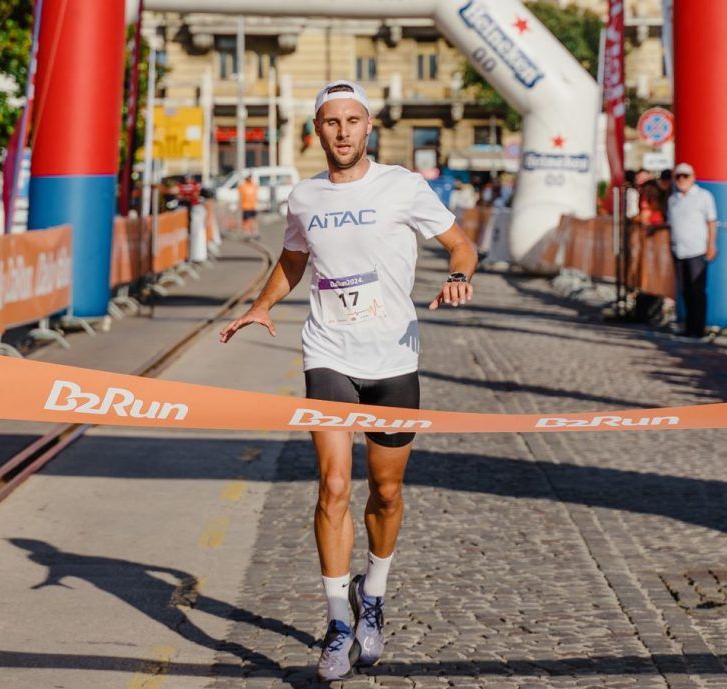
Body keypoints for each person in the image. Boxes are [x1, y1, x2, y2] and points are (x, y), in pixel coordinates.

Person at [220, 79, 477, 681]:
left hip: (392, 359)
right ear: (318, 131)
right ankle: (338, 621)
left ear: (368, 127)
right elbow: (293, 258)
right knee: (333, 486)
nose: (342, 131)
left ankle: (374, 596)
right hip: (328, 354)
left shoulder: (404, 187)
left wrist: (461, 275)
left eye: (352, 121)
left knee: (384, 494)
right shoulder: (304, 197)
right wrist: (263, 304)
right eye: (331, 122)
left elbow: (460, 245)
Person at [667, 162, 717, 340]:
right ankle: (689, 326)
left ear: (693, 177)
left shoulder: (703, 196)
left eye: (685, 176)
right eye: (678, 176)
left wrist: (711, 244)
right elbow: (671, 225)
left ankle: (699, 328)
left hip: (697, 249)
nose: (682, 180)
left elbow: (711, 222)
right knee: (685, 290)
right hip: (678, 250)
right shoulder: (673, 199)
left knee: (697, 289)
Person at [238, 173, 259, 238]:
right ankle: (247, 232)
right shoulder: (243, 186)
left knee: (253, 219)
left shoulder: (254, 185)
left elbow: (256, 195)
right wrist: (240, 205)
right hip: (245, 206)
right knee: (246, 220)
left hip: (253, 206)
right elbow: (240, 196)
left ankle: (255, 232)